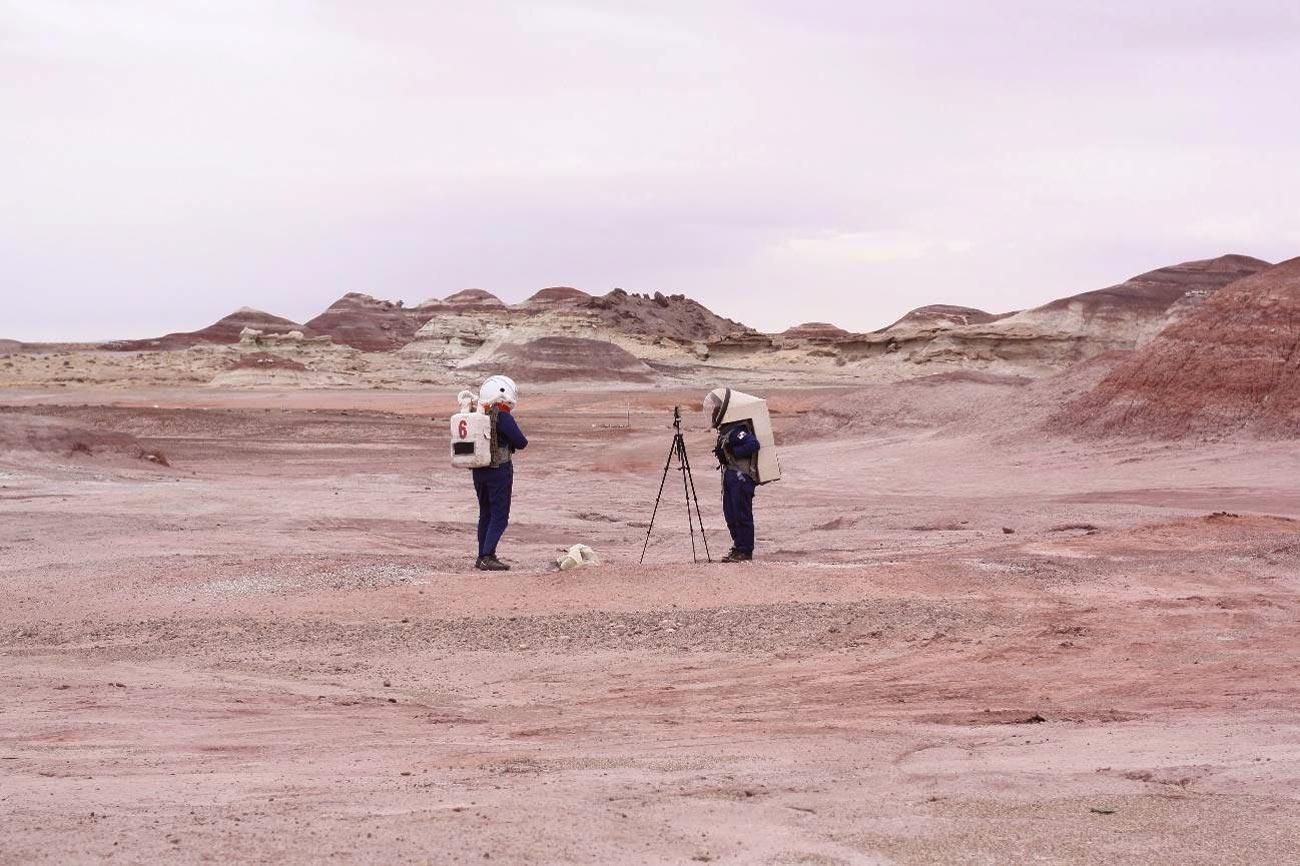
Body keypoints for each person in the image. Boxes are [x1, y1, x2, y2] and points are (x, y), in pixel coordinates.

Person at [472, 375, 526, 571]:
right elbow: (521, 442)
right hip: (499, 471)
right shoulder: (502, 417)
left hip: (479, 471)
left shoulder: (478, 415)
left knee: (485, 514)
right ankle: (487, 556)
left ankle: (482, 555)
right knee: (500, 516)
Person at [715, 420, 760, 562]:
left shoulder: (738, 431)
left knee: (741, 514)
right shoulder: (727, 433)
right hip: (731, 477)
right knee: (730, 514)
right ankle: (738, 546)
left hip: (741, 478)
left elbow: (754, 444)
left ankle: (745, 550)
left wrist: (734, 452)